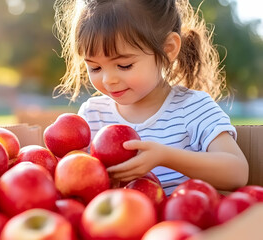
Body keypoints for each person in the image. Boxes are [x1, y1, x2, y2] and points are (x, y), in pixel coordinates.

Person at [53, 0, 249, 194]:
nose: (108, 80)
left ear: (168, 48)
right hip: (115, 221)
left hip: (183, 220)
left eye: (124, 65)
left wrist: (164, 156)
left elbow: (237, 173)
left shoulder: (193, 108)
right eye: (95, 67)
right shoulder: (93, 115)